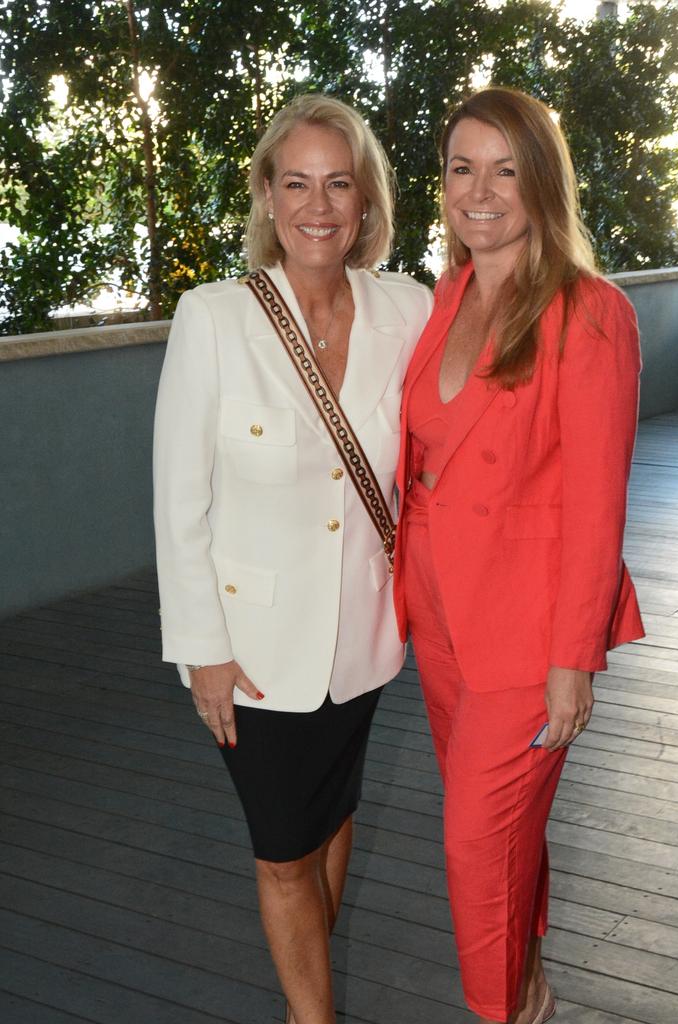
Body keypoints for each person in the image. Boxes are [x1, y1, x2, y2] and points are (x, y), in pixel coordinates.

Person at [153, 93, 432, 1024]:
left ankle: (300, 1000)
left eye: (339, 183)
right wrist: (203, 648)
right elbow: (177, 500)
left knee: (332, 815)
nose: (319, 205)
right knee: (283, 847)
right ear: (268, 198)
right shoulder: (214, 317)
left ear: (365, 202)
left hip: (364, 635)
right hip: (255, 649)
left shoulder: (408, 309)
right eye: (298, 183)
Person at [392, 86, 645, 1024]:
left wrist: (572, 660)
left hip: (530, 636)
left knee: (472, 847)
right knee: (503, 836)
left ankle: (497, 1009)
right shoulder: (447, 295)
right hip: (445, 619)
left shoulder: (591, 312)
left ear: (543, 182)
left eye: (506, 169)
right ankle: (528, 988)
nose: (481, 190)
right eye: (463, 168)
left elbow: (596, 506)